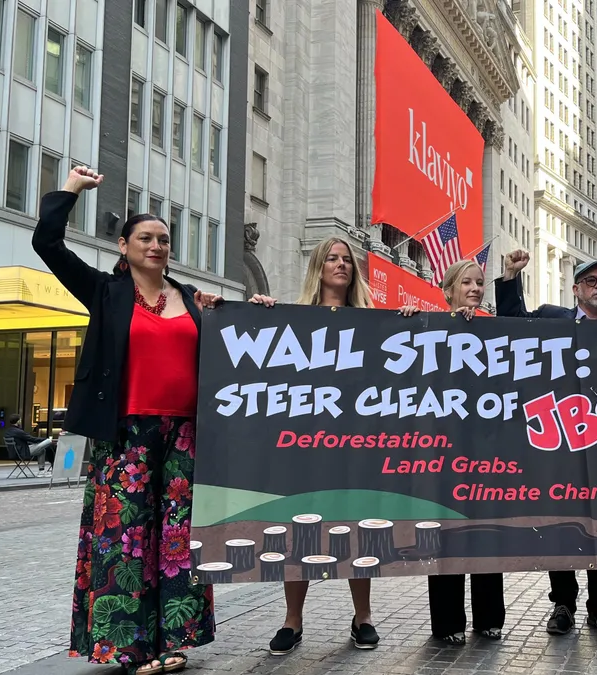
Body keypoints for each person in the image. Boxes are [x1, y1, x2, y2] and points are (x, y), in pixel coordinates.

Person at [34, 167, 220, 674]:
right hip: (127, 433)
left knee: (179, 537)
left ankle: (175, 640)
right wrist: (71, 189)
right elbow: (47, 242)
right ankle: (128, 646)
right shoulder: (105, 292)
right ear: (123, 245)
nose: (157, 245)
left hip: (185, 434)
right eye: (146, 237)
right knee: (126, 537)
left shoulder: (192, 300)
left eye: (164, 239)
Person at [494, 249, 597, 637]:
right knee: (564, 520)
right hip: (559, 437)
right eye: (591, 281)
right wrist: (510, 276)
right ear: (576, 290)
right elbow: (513, 322)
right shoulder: (553, 317)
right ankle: (563, 604)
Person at [259, 237, 382, 654]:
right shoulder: (295, 319)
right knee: (301, 529)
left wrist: (405, 320)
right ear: (318, 265)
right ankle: (292, 621)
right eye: (331, 258)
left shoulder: (374, 321)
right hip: (307, 445)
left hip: (356, 445)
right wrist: (255, 315)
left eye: (347, 259)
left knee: (357, 530)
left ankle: (362, 616)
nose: (341, 264)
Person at [399, 260, 505, 645]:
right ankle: (447, 623)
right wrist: (408, 322)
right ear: (448, 290)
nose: (475, 288)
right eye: (466, 282)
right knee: (444, 534)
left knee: (486, 534)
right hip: (441, 453)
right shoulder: (429, 329)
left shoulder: (495, 332)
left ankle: (490, 617)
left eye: (479, 283)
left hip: (487, 454)